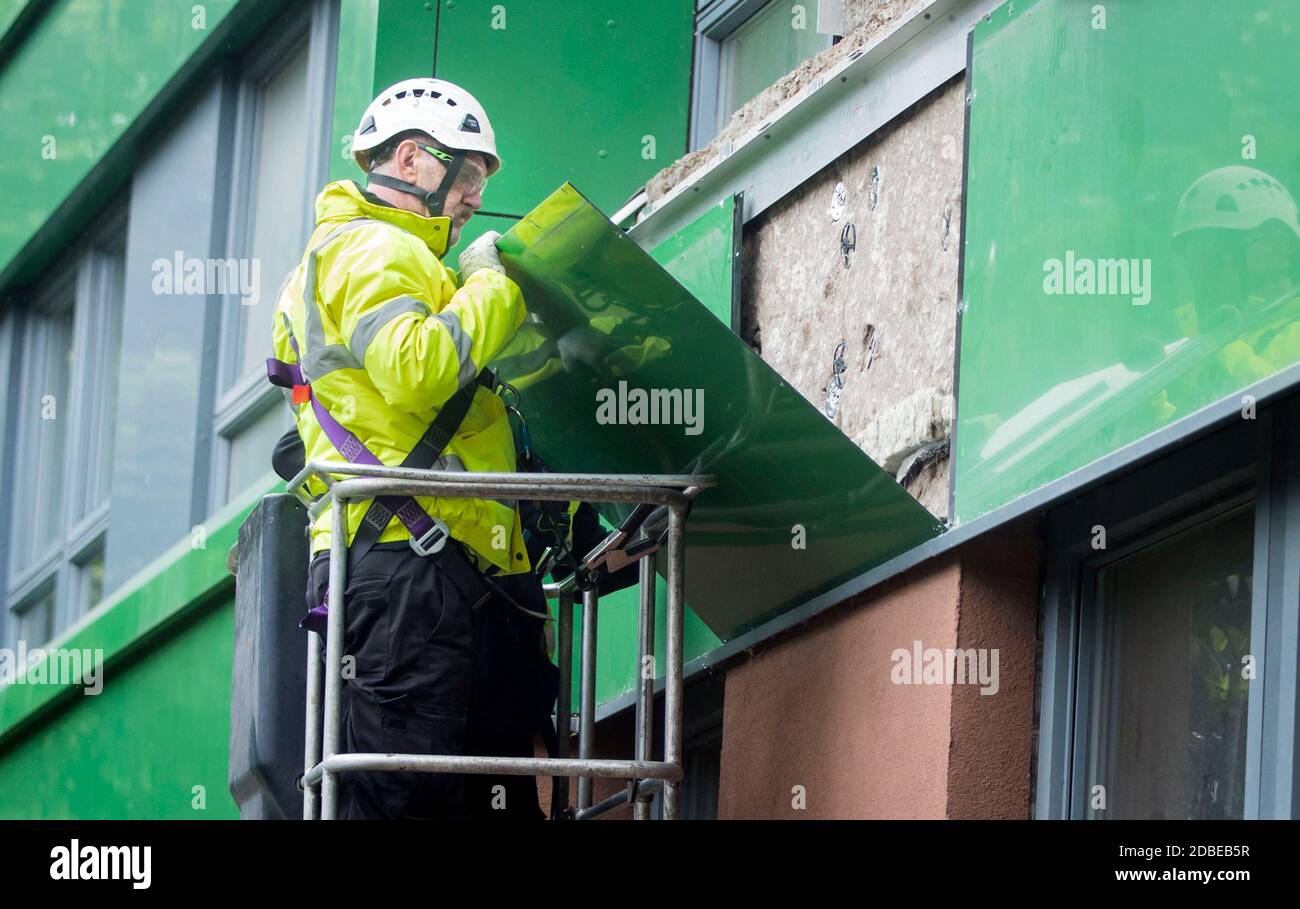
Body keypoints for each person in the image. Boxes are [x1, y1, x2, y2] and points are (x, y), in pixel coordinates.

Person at [266, 77, 549, 819]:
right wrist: (493, 286)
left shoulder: (383, 258)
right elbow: (418, 367)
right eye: (469, 177)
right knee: (409, 801)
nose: (474, 199)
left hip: (426, 567)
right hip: (407, 569)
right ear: (415, 159)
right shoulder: (371, 249)